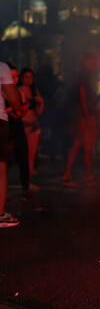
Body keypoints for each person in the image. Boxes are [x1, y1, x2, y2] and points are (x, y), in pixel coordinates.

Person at [61, 53, 99, 186]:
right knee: (86, 147)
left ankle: (67, 175)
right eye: (90, 61)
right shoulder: (83, 77)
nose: (92, 64)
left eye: (94, 62)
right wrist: (88, 117)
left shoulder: (85, 77)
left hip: (83, 116)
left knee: (77, 146)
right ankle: (87, 176)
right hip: (85, 117)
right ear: (84, 62)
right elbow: (82, 99)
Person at [0, 61, 21, 228]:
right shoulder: (2, 67)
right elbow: (14, 99)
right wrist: (15, 105)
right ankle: (0, 214)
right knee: (1, 168)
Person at [5, 64, 31, 198]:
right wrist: (13, 109)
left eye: (16, 76)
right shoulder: (2, 93)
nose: (14, 79)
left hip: (17, 129)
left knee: (23, 158)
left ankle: (25, 188)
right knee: (5, 163)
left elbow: (21, 113)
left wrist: (22, 108)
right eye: (11, 76)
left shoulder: (20, 93)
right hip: (5, 131)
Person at [18, 67, 44, 190]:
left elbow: (39, 112)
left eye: (31, 77)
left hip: (34, 124)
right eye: (26, 77)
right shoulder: (18, 90)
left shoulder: (35, 92)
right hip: (23, 123)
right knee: (20, 154)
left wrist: (41, 102)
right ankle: (22, 180)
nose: (29, 79)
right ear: (22, 78)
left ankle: (27, 183)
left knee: (31, 155)